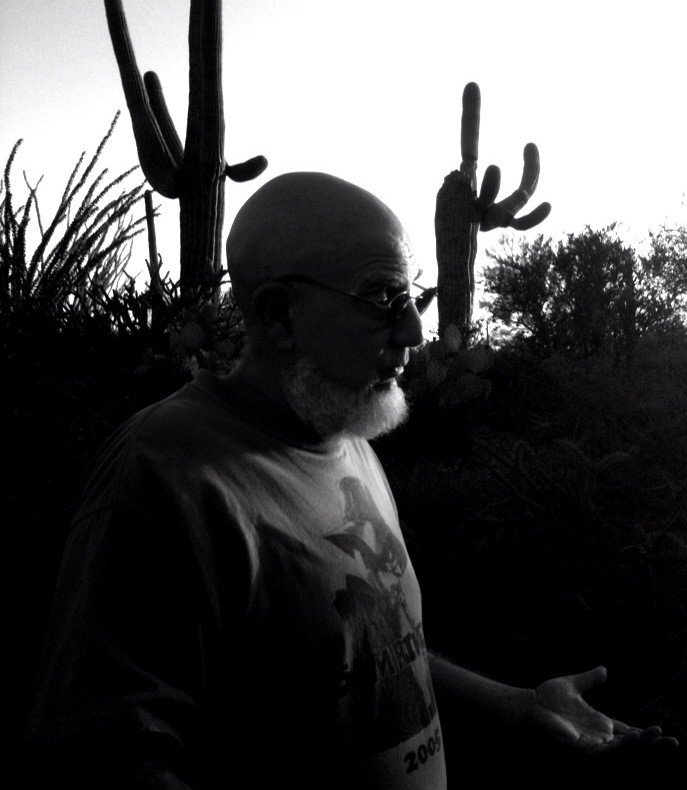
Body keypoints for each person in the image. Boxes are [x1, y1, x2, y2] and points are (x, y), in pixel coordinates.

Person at [25, 172, 678, 789]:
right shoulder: (161, 477)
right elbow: (104, 756)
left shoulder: (345, 431)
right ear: (278, 313)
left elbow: (360, 654)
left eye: (411, 297)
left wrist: (515, 708)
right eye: (383, 299)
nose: (414, 329)